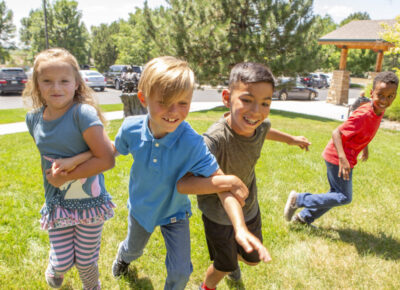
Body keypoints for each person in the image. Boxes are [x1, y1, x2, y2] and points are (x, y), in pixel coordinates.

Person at [111, 56, 269, 290]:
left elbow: (221, 186)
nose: (174, 112)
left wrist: (240, 228)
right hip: (142, 209)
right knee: (134, 249)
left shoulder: (193, 143)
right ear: (144, 98)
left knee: (181, 271)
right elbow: (109, 153)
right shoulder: (130, 128)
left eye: (183, 103)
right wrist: (77, 163)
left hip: (175, 214)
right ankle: (123, 258)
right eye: (164, 102)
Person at [177, 62, 311, 290]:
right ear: (227, 97)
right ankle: (207, 286)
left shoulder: (259, 126)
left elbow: (267, 130)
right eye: (247, 100)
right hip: (218, 216)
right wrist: (226, 181)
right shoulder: (214, 140)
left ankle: (234, 263)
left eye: (265, 103)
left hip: (249, 208)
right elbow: (184, 183)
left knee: (253, 259)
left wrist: (291, 139)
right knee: (223, 265)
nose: (256, 111)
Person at [23, 48, 116, 289]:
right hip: (57, 203)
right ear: (37, 85)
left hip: (90, 203)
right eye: (47, 81)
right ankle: (55, 268)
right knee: (63, 261)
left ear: (76, 83)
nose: (56, 88)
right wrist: (58, 180)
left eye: (64, 81)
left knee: (86, 261)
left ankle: (91, 286)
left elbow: (106, 159)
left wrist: (68, 172)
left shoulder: (82, 114)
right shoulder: (33, 119)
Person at [284, 71, 398, 226]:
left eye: (390, 96)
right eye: (381, 95)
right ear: (372, 93)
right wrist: (342, 159)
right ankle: (299, 199)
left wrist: (365, 147)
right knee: (343, 197)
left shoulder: (379, 109)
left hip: (345, 156)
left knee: (335, 195)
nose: (385, 100)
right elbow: (336, 132)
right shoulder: (364, 114)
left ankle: (304, 218)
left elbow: (363, 132)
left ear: (395, 95)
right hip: (338, 157)